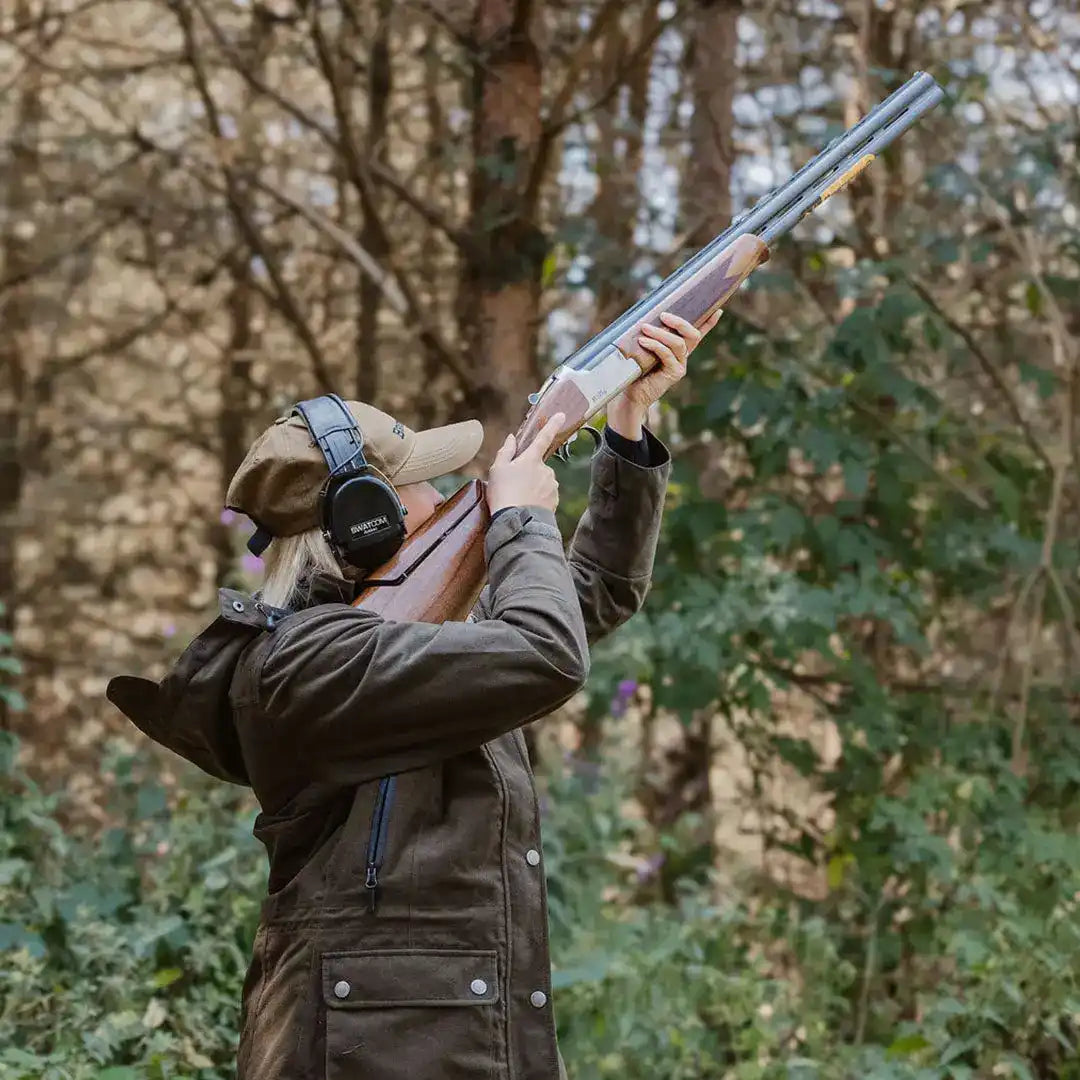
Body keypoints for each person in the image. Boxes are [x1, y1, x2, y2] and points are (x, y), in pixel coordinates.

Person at [106, 309, 720, 1080]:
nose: (449, 495)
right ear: (366, 522)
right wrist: (522, 519)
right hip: (382, 1054)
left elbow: (588, 596)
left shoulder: (399, 646)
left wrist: (628, 427)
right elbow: (546, 653)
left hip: (451, 1036)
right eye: (423, 483)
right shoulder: (310, 663)